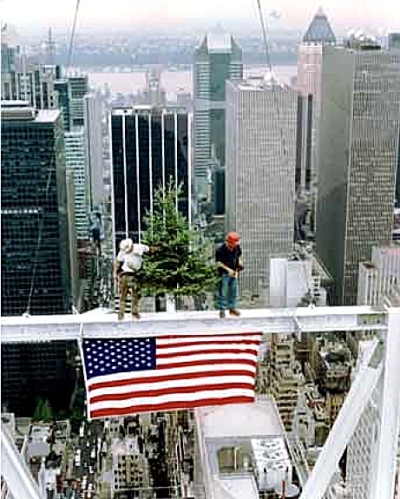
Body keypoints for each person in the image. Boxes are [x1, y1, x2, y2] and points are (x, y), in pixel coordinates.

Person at [113, 238, 156, 320]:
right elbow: (118, 263)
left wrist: (157, 249)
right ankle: (121, 314)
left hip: (136, 274)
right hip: (125, 274)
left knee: (135, 294)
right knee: (123, 295)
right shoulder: (122, 252)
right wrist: (114, 273)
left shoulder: (139, 247)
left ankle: (134, 313)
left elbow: (149, 249)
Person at [215, 231, 243, 318]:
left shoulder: (237, 247)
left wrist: (240, 263)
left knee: (233, 291)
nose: (234, 246)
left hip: (234, 273)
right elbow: (218, 263)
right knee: (223, 292)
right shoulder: (220, 250)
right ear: (228, 242)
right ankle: (222, 310)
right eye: (233, 244)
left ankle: (232, 308)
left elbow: (239, 256)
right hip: (224, 274)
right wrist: (228, 270)